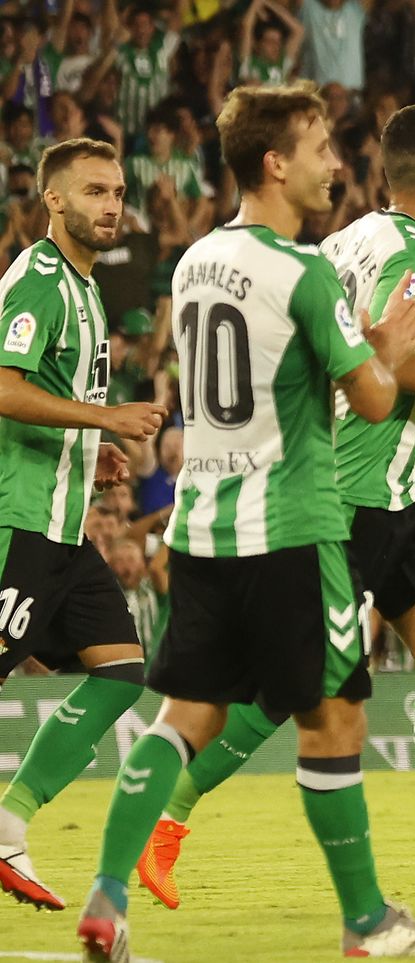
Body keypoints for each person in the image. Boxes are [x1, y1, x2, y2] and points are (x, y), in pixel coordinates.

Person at [77, 83, 415, 959]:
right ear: (275, 163)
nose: (334, 163)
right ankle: (368, 923)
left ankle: (107, 895)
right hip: (293, 528)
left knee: (185, 718)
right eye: (318, 147)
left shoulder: (195, 263)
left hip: (202, 527)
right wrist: (392, 345)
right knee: (334, 722)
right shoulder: (300, 274)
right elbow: (372, 402)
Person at [133, 103, 415, 913]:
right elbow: (367, 362)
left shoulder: (350, 238)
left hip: (397, 492)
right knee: (282, 684)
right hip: (354, 493)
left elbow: (338, 338)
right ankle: (167, 819)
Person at [0, 138, 168, 911]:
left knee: (122, 669)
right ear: (54, 202)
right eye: (94, 191)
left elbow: (43, 395)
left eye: (119, 191)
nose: (112, 205)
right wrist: (100, 415)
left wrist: (87, 442)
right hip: (18, 521)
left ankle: (7, 825)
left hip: (65, 529)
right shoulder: (36, 279)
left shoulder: (89, 292)